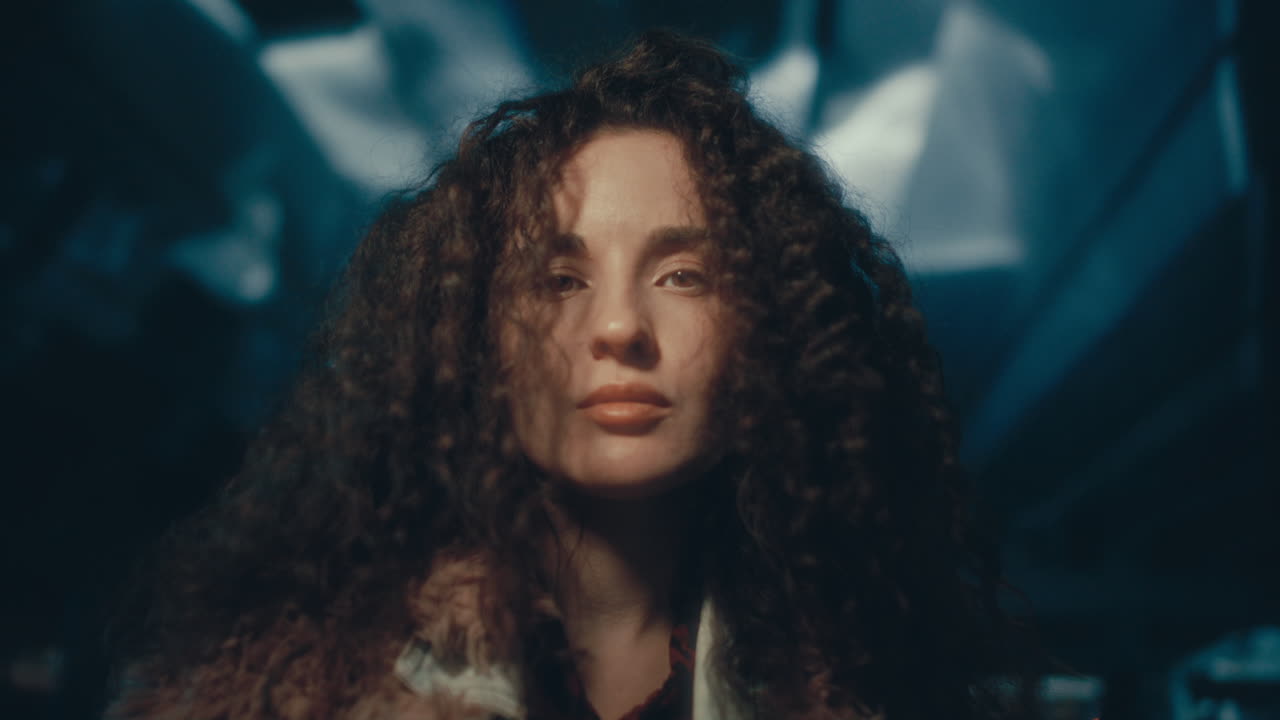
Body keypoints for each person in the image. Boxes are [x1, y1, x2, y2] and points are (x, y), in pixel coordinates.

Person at [106, 30, 1038, 720]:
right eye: (557, 279)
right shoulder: (282, 696)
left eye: (684, 275)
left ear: (772, 332)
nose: (621, 327)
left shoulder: (876, 693)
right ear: (477, 340)